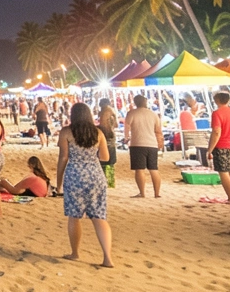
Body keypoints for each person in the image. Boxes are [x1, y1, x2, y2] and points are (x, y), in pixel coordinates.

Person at [54, 102, 113, 267]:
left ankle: (75, 253)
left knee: (74, 217)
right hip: (96, 176)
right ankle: (107, 257)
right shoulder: (98, 133)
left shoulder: (66, 132)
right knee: (99, 217)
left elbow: (63, 157)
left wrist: (58, 182)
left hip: (75, 176)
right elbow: (105, 157)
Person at [206, 91, 230, 205]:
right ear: (228, 100)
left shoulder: (217, 113)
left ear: (216, 100)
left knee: (223, 172)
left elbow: (216, 132)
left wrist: (210, 149)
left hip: (222, 145)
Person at [123, 95, 163, 198]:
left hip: (137, 143)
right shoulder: (153, 114)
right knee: (153, 169)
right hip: (152, 144)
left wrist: (126, 138)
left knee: (139, 169)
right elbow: (158, 130)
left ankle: (142, 193)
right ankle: (157, 193)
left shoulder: (131, 113)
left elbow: (126, 128)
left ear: (135, 102)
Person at [96, 99, 118, 188]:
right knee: (111, 161)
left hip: (106, 137)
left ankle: (105, 180)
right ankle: (111, 181)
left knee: (104, 159)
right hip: (112, 137)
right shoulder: (112, 111)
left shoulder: (105, 112)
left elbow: (104, 126)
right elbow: (115, 125)